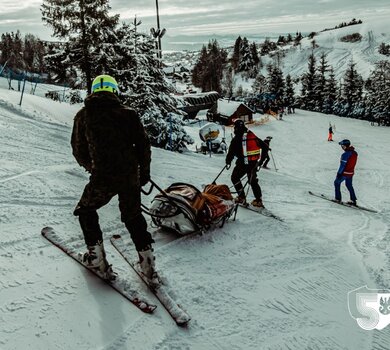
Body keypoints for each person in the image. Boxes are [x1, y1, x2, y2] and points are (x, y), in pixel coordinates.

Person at [71, 74, 159, 286]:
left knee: (85, 210)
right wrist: (143, 173)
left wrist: (92, 167)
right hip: (129, 175)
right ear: (114, 90)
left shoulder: (83, 116)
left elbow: (78, 150)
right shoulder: (128, 114)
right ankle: (148, 263)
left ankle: (97, 258)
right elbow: (143, 146)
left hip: (103, 176)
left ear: (93, 91)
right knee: (133, 216)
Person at [225, 119, 269, 208]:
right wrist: (261, 161)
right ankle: (258, 200)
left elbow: (231, 152)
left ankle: (241, 198)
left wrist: (228, 161)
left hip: (243, 163)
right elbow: (265, 146)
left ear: (236, 128)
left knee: (235, 178)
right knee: (252, 181)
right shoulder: (251, 135)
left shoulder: (236, 138)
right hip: (253, 163)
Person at [334, 139, 358, 205]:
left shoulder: (345, 154)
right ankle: (353, 200)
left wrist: (339, 173)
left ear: (344, 146)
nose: (341, 147)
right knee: (349, 185)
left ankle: (338, 198)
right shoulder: (354, 153)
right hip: (351, 173)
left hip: (345, 173)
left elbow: (342, 165)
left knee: (336, 183)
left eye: (342, 146)